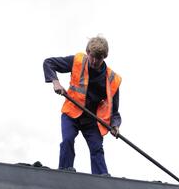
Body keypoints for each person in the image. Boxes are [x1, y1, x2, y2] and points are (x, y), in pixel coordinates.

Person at [43, 36, 122, 175]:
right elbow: (48, 63)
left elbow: (114, 109)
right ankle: (65, 172)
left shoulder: (112, 79)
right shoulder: (77, 61)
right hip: (72, 112)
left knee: (97, 148)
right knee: (67, 140)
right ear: (87, 52)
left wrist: (115, 125)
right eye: (92, 57)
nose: (94, 61)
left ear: (104, 57)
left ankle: (101, 179)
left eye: (99, 58)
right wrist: (55, 82)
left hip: (92, 119)